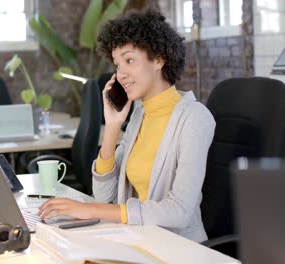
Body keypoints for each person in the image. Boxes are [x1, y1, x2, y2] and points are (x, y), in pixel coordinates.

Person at [38, 10, 215, 242]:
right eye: (117, 65)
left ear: (159, 59)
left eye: (129, 60)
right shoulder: (140, 113)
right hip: (137, 238)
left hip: (177, 247)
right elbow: (104, 194)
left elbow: (179, 211)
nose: (121, 74)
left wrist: (93, 211)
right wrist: (112, 126)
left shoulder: (195, 118)